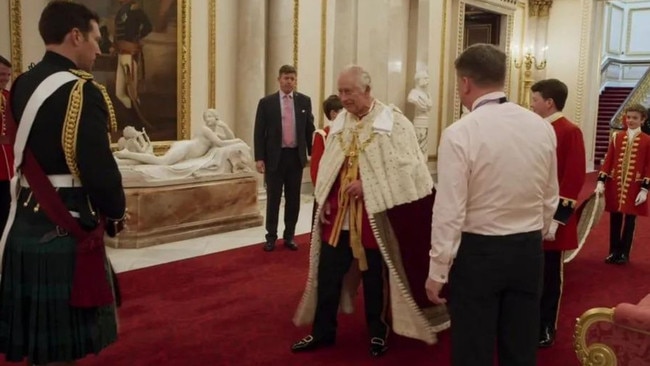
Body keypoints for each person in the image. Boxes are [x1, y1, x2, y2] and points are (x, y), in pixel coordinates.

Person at [0, 2, 127, 364]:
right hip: (65, 227)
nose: (99, 49)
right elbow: (99, 168)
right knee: (61, 349)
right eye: (96, 39)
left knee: (39, 346)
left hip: (25, 220)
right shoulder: (84, 91)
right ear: (76, 36)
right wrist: (117, 211)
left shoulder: (22, 83)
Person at [292, 65, 449, 358]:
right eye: (339, 91)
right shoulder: (341, 123)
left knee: (377, 283)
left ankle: (378, 334)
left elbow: (411, 170)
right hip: (338, 219)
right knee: (327, 278)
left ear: (366, 90)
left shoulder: (394, 122)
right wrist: (324, 198)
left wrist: (370, 185)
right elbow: (328, 167)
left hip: (373, 220)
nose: (343, 98)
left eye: (348, 92)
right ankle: (322, 332)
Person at [426, 44, 559, 366]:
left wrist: (438, 269)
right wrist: (533, 232)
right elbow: (550, 195)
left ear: (466, 83)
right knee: (521, 346)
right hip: (528, 250)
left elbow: (449, 209)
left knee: (473, 348)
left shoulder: (460, 132)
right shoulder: (541, 126)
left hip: (479, 253)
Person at [530, 78, 586, 348]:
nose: (531, 104)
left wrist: (556, 221)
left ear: (549, 102)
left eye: (535, 99)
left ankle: (546, 326)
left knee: (551, 278)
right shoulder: (534, 129)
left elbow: (573, 180)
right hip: (527, 217)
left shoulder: (569, 131)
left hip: (553, 220)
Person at [254, 64, 315, 252]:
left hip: (295, 157)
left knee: (293, 198)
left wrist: (314, 153)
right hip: (275, 157)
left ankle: (289, 236)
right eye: (286, 78)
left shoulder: (304, 101)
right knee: (273, 198)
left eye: (292, 78)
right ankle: (271, 236)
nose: (289, 81)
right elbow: (259, 132)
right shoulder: (267, 103)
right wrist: (259, 158)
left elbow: (309, 129)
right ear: (279, 79)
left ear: (295, 81)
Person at [596, 103, 650, 265]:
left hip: (635, 186)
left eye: (635, 118)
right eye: (628, 117)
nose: (631, 121)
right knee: (615, 219)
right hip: (615, 184)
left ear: (643, 120)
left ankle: (624, 253)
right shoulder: (616, 137)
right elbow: (608, 160)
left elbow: (649, 165)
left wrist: (645, 189)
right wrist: (601, 180)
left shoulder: (647, 140)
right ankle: (613, 252)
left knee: (630, 221)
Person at [113, 0, 152, 109]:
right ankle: (131, 114)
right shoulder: (120, 12)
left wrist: (136, 40)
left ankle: (136, 117)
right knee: (119, 94)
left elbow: (148, 27)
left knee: (132, 94)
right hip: (121, 54)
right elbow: (118, 33)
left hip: (129, 55)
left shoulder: (136, 10)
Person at [0, 55, 13, 236]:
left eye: (7, 75)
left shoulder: (10, 97)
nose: (5, 78)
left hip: (10, 165)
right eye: (1, 74)